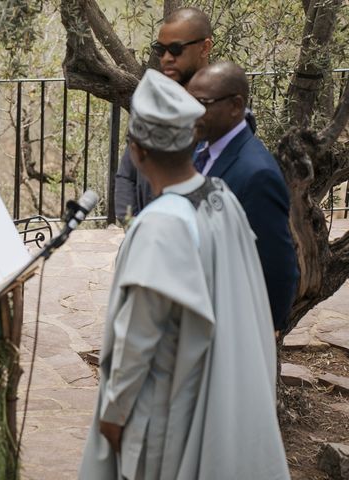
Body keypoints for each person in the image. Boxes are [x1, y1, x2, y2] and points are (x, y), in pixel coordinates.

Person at [79, 69, 289, 480]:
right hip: (212, 387)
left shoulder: (159, 226)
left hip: (169, 404)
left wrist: (114, 413)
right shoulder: (221, 197)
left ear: (138, 152)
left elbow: (137, 339)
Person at [186, 61, 298, 333]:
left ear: (235, 106)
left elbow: (279, 271)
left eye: (202, 103)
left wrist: (253, 338)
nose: (190, 112)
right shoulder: (201, 151)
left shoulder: (257, 174)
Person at [115, 7, 212, 221]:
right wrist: (131, 223)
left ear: (205, 48)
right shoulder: (152, 102)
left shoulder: (219, 110)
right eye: (160, 49)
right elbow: (126, 174)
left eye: (176, 49)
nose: (166, 58)